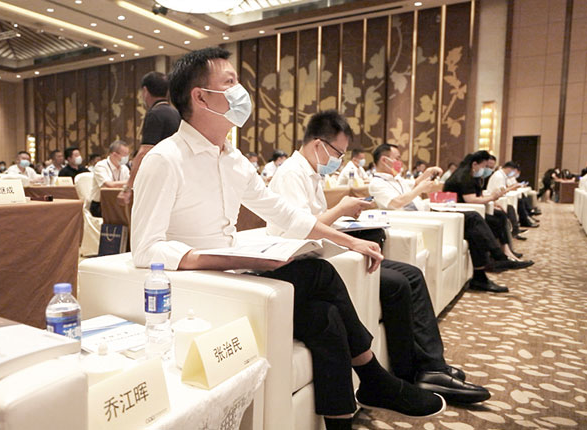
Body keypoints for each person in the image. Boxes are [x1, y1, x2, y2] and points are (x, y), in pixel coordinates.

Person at [132, 47, 446, 430]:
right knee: (319, 273)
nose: (241, 92)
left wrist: (350, 241)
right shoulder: (165, 159)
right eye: (230, 82)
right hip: (197, 288)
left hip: (236, 279)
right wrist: (222, 258)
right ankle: (375, 379)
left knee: (327, 317)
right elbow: (145, 248)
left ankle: (344, 419)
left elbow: (284, 213)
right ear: (200, 97)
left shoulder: (233, 160)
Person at [268, 110, 490, 404]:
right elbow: (300, 228)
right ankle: (410, 371)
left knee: (412, 274)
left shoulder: (312, 175)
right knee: (396, 284)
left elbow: (316, 223)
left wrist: (348, 224)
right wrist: (342, 213)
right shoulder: (291, 174)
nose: (340, 161)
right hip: (310, 261)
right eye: (338, 153)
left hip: (326, 251)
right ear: (319, 144)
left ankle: (431, 365)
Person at [371, 145, 532, 293]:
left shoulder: (396, 178)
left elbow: (412, 186)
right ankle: (498, 257)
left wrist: (427, 173)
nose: (400, 162)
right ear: (385, 160)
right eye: (397, 158)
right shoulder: (377, 183)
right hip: (415, 219)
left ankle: (481, 275)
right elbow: (396, 202)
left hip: (426, 212)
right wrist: (420, 189)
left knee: (472, 228)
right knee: (473, 218)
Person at [443, 150, 533, 270]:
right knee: (491, 220)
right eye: (485, 166)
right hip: (459, 212)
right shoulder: (464, 177)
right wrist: (492, 197)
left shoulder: (472, 176)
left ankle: (506, 252)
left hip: (469, 210)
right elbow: (471, 200)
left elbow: (477, 196)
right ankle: (499, 256)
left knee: (499, 216)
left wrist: (493, 201)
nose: (486, 170)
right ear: (474, 164)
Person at [117, 71, 181, 206]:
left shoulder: (154, 114)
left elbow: (144, 152)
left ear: (145, 91)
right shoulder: (176, 113)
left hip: (160, 179)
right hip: (177, 176)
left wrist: (127, 188)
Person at [89, 141, 130, 218]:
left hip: (118, 202)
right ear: (114, 154)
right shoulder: (101, 166)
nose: (127, 158)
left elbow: (129, 185)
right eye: (125, 155)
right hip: (100, 205)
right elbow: (109, 184)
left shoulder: (124, 168)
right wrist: (129, 182)